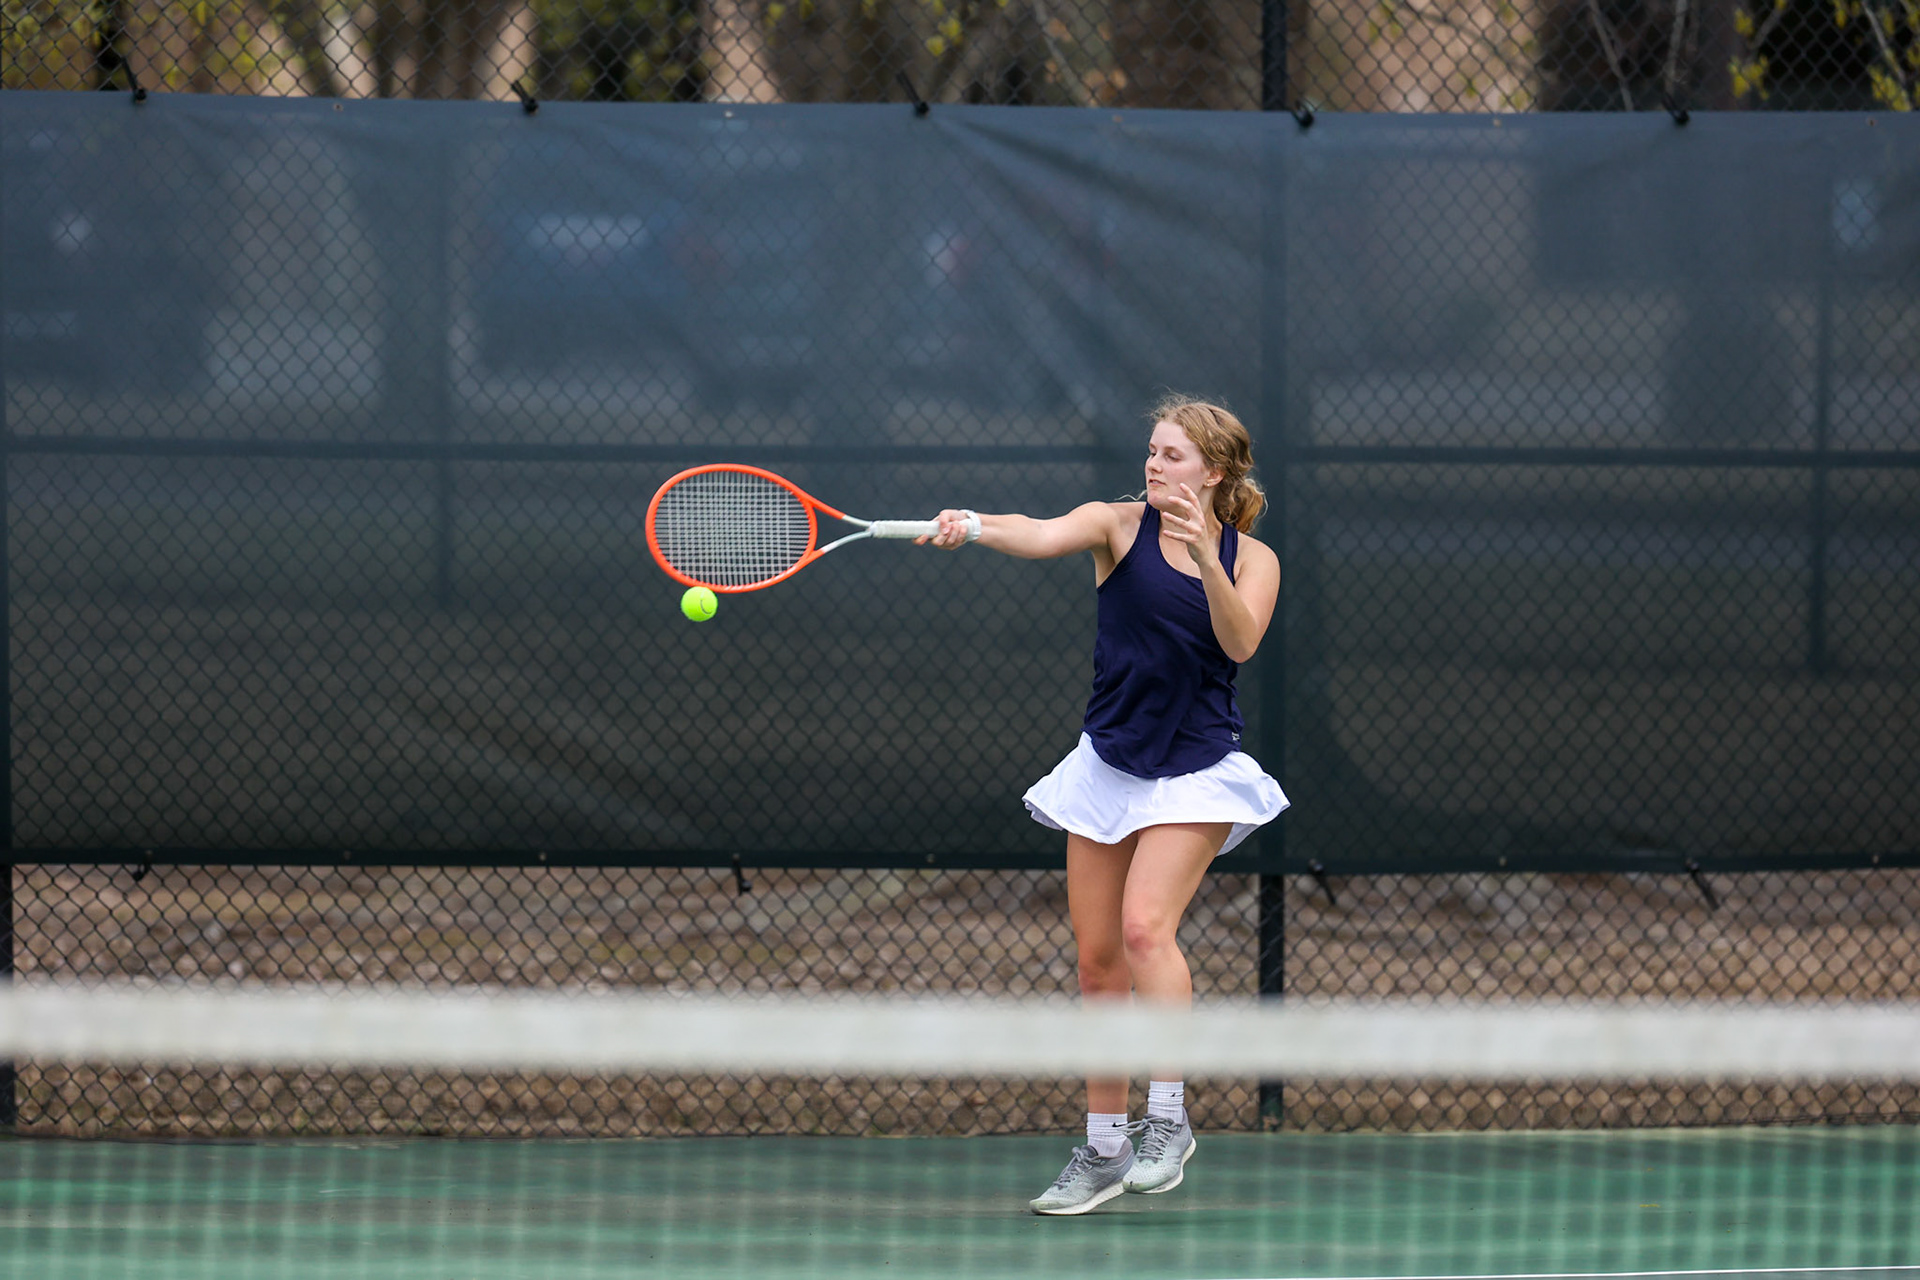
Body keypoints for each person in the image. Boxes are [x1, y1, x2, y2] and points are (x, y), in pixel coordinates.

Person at [919, 395, 1289, 1216]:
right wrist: (974, 524)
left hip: (1195, 770)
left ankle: (1168, 1121)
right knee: (1097, 961)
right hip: (1109, 765)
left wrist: (1207, 556)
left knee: (1143, 929)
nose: (1155, 464)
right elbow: (1041, 531)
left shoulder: (1252, 559)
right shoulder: (1116, 527)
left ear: (1215, 472)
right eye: (1152, 451)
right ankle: (1106, 1145)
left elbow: (1239, 642)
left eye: (1174, 456)